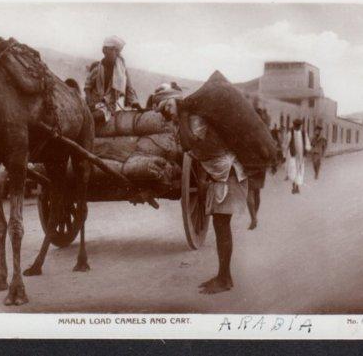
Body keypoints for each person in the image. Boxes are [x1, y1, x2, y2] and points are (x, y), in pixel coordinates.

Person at [158, 98, 247, 294]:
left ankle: (224, 279)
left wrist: (181, 115)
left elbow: (189, 145)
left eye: (169, 107)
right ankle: (225, 276)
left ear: (177, 104)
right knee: (219, 225)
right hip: (222, 174)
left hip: (228, 174)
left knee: (222, 226)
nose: (168, 113)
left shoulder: (193, 119)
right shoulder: (191, 119)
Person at [84, 35, 140, 123]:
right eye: (113, 50)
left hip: (107, 107)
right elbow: (87, 87)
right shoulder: (97, 68)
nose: (116, 53)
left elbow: (129, 89)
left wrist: (133, 103)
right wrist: (90, 102)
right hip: (92, 104)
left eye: (117, 51)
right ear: (105, 51)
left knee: (95, 116)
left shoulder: (121, 71)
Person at [286, 119, 311, 194]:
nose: (297, 127)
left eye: (298, 126)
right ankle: (294, 186)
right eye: (296, 125)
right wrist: (285, 154)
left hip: (300, 155)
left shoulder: (303, 133)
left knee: (299, 170)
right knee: (293, 170)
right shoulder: (290, 133)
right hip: (292, 155)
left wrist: (306, 151)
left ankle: (297, 187)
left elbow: (307, 143)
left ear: (300, 126)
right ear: (294, 125)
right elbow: (286, 143)